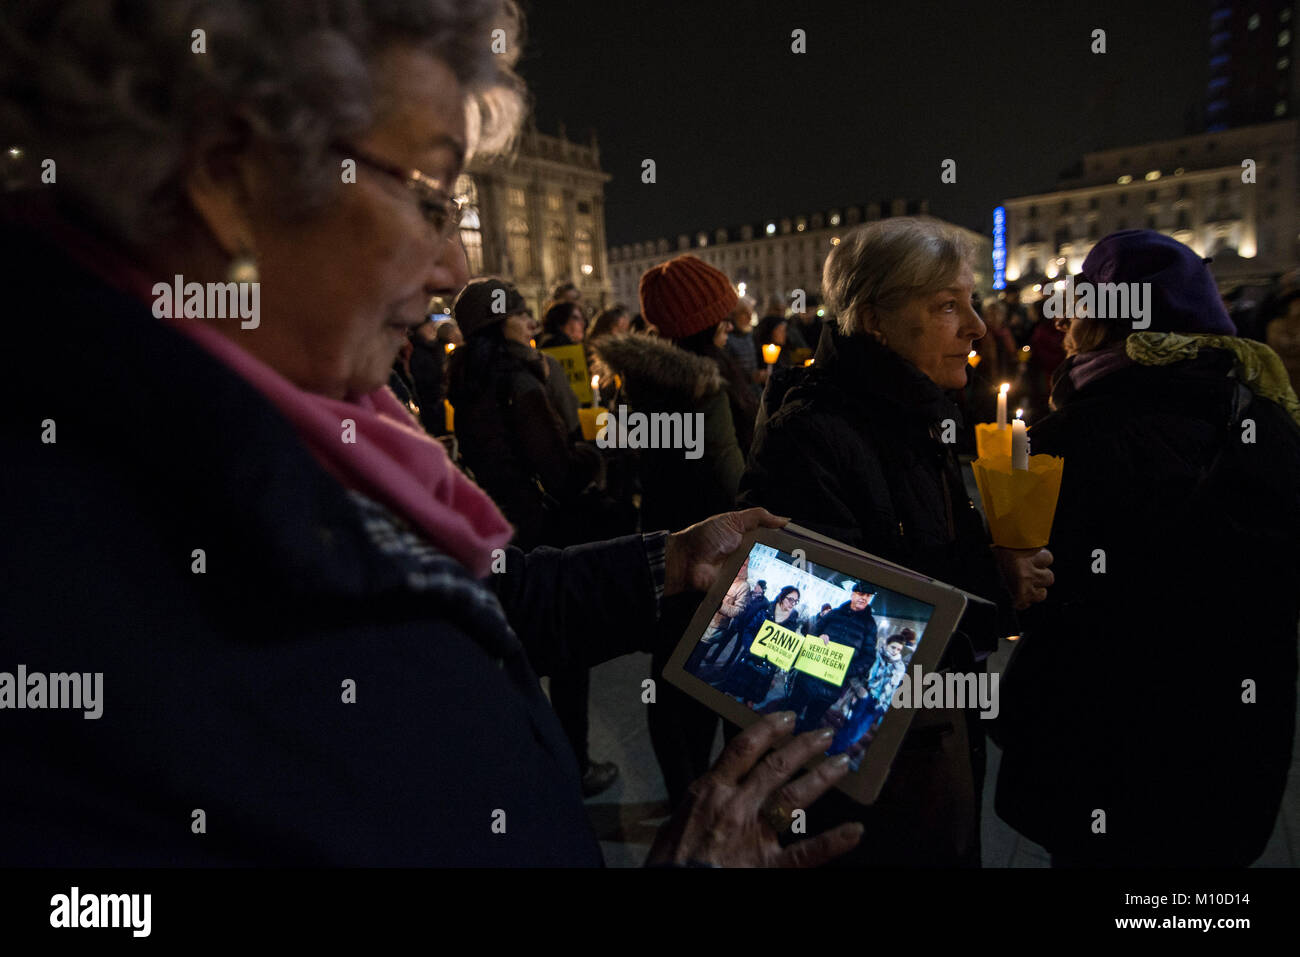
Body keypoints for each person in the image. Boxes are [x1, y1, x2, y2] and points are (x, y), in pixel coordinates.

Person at [0, 0, 867, 868]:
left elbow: (490, 598)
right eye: (429, 198)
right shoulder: (69, 593)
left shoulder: (308, 424)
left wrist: (669, 561)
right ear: (232, 180)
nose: (456, 268)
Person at [739, 217, 1054, 867]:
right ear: (874, 318)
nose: (974, 325)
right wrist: (989, 578)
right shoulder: (809, 437)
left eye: (970, 300)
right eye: (946, 305)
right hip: (862, 791)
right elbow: (796, 641)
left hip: (932, 750)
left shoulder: (918, 417)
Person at [994, 230, 1300, 867]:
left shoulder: (1068, 438)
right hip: (1230, 765)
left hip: (1100, 765)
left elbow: (1037, 602)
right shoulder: (1271, 423)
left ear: (1099, 324)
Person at [590, 254, 752, 809]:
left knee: (671, 683)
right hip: (718, 555)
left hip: (659, 547)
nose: (730, 328)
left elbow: (618, 471)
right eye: (723, 319)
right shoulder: (706, 387)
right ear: (703, 327)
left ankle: (685, 798)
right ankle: (719, 806)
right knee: (725, 680)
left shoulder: (631, 384)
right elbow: (734, 482)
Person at [765, 583, 878, 732]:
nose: (863, 598)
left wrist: (846, 670)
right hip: (807, 677)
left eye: (867, 596)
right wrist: (819, 636)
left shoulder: (870, 625)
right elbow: (812, 631)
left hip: (831, 687)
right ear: (852, 594)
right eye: (860, 594)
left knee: (810, 724)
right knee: (788, 715)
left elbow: (868, 657)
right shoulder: (835, 614)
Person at [719, 587, 802, 707]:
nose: (793, 603)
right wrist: (751, 648)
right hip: (749, 660)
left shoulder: (793, 623)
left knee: (751, 699)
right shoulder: (765, 612)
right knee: (732, 692)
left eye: (796, 601)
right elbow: (749, 630)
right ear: (782, 597)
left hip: (766, 669)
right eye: (790, 599)